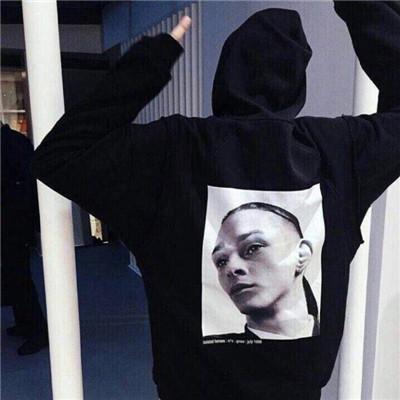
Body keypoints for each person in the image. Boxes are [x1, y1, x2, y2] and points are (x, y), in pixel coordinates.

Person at [31, 2, 399, 399]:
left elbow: (62, 153)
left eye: (253, 247)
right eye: (220, 259)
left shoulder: (173, 152)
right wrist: (363, 9)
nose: (233, 268)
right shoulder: (339, 153)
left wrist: (151, 61)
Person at [205, 202, 319, 340]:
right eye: (221, 262)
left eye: (253, 248)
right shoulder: (208, 349)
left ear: (301, 255)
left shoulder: (339, 334)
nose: (231, 268)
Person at [1, 122, 49, 355]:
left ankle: (38, 331)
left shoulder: (11, 145)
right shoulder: (14, 142)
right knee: (15, 275)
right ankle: (25, 323)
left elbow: (25, 187)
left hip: (14, 222)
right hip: (14, 221)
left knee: (19, 276)